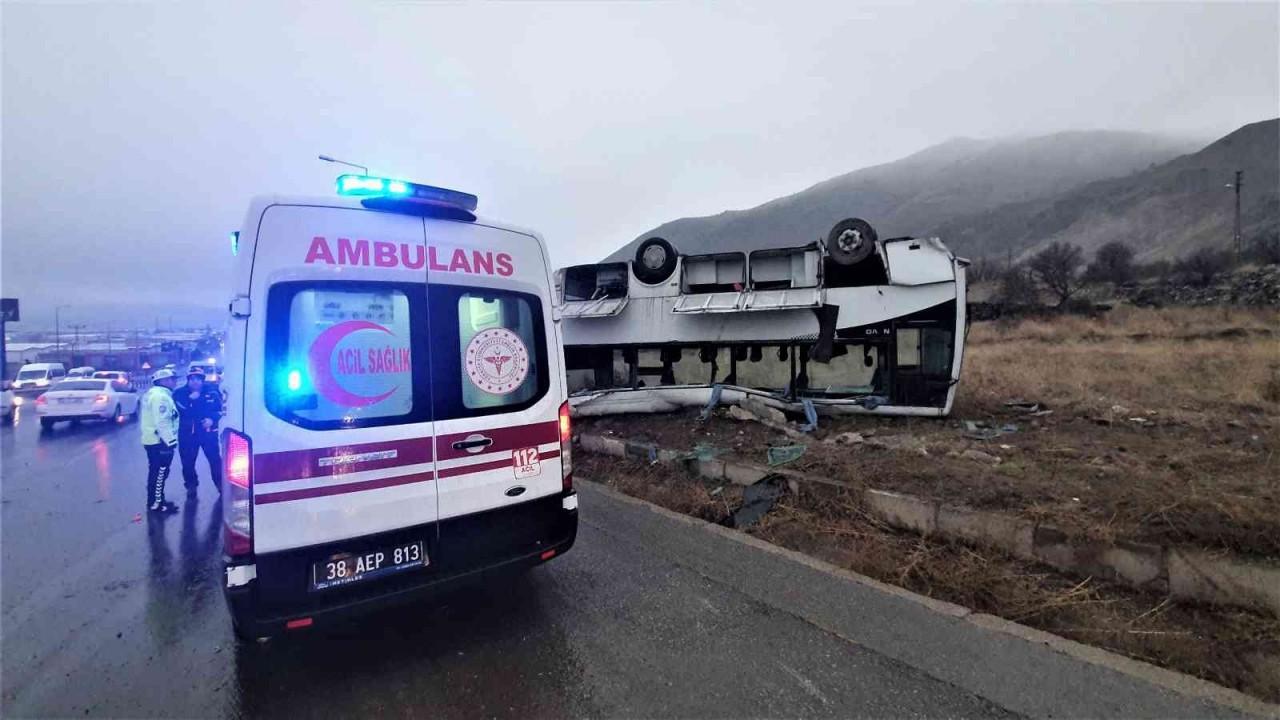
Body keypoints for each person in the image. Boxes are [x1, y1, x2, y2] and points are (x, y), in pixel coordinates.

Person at [172, 368, 223, 498]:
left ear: (202, 380)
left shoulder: (212, 392)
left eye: (198, 379)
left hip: (208, 433)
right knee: (188, 462)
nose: (195, 382)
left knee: (215, 460)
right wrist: (191, 400)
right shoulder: (180, 393)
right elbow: (182, 411)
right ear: (188, 380)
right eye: (192, 379)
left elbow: (220, 410)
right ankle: (191, 485)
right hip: (188, 434)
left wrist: (212, 419)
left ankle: (221, 485)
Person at [141, 369, 180, 513]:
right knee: (160, 472)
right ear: (163, 381)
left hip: (154, 440)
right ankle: (156, 503)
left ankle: (158, 499)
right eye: (172, 379)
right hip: (160, 441)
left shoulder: (154, 394)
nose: (174, 381)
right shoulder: (161, 397)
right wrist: (169, 441)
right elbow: (162, 421)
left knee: (157, 471)